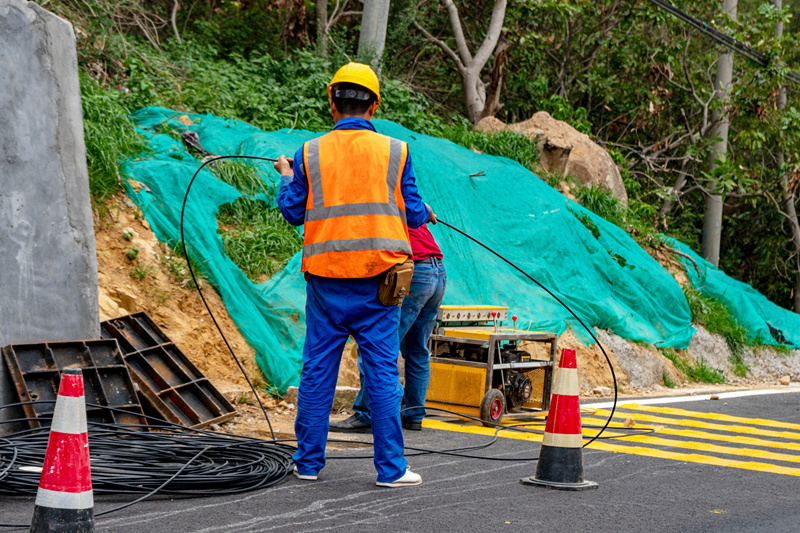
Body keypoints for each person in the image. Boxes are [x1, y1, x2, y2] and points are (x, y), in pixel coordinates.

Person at [274, 62, 435, 488]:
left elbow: (292, 211)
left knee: (317, 371)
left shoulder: (309, 153)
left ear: (332, 103)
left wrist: (287, 176)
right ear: (374, 104)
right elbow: (415, 213)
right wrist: (427, 212)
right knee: (381, 372)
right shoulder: (397, 151)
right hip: (378, 283)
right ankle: (391, 470)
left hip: (325, 283)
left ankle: (307, 464)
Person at [330, 225, 446, 433]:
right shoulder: (403, 203)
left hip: (412, 272)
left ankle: (366, 413)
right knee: (417, 350)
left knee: (378, 347)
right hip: (437, 273)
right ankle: (414, 414)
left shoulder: (374, 208)